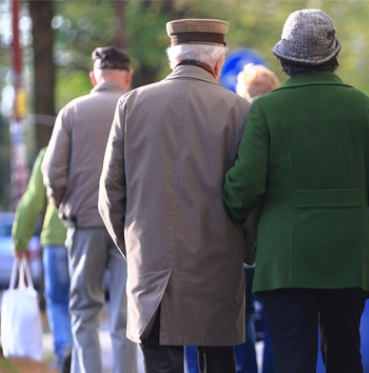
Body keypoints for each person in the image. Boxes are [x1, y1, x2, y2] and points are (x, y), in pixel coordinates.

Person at [222, 9, 369, 373]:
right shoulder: (364, 108)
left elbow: (244, 184)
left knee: (293, 360)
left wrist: (228, 209)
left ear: (284, 58)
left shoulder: (265, 110)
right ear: (333, 55)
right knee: (345, 355)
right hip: (347, 258)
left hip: (286, 260)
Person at [98, 19, 257, 373]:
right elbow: (249, 194)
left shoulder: (131, 104)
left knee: (159, 364)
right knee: (217, 362)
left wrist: (135, 246)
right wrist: (248, 251)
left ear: (174, 58)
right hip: (217, 266)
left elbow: (110, 193)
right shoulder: (240, 111)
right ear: (218, 62)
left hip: (151, 269)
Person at [42, 46, 137, 373]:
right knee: (125, 313)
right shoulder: (138, 108)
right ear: (128, 76)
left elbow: (52, 172)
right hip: (129, 226)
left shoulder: (72, 111)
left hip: (85, 222)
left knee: (83, 311)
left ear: (94, 76)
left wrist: (64, 209)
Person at [11, 147, 72, 373]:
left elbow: (33, 199)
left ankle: (65, 347)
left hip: (55, 240)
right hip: (85, 237)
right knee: (84, 302)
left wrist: (20, 240)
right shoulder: (93, 149)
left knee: (57, 301)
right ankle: (82, 355)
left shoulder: (48, 153)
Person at [233, 63, 278, 373]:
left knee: (242, 314)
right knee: (278, 314)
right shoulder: (279, 120)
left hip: (239, 238)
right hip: (276, 236)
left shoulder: (234, 120)